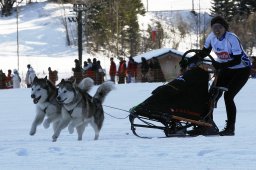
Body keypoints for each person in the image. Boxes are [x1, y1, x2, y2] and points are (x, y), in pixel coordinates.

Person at [189, 16, 251, 136]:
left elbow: (237, 60)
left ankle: (230, 128)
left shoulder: (231, 38)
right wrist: (190, 60)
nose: (217, 30)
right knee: (211, 95)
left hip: (241, 69)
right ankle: (207, 125)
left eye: (220, 27)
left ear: (225, 28)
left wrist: (220, 65)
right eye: (214, 27)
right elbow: (204, 52)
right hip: (226, 68)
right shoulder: (211, 37)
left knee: (228, 96)